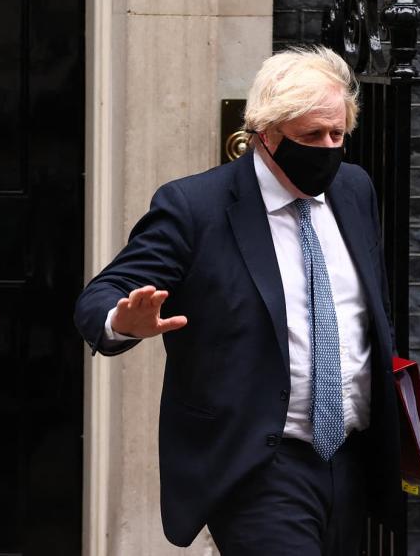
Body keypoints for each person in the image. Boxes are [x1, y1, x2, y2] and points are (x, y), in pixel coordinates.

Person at [74, 46, 400, 555]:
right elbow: (99, 296)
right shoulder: (195, 207)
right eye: (312, 136)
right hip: (259, 466)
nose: (329, 148)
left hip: (351, 459)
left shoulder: (354, 190)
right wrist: (125, 320)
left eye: (338, 134)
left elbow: (368, 312)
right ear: (266, 133)